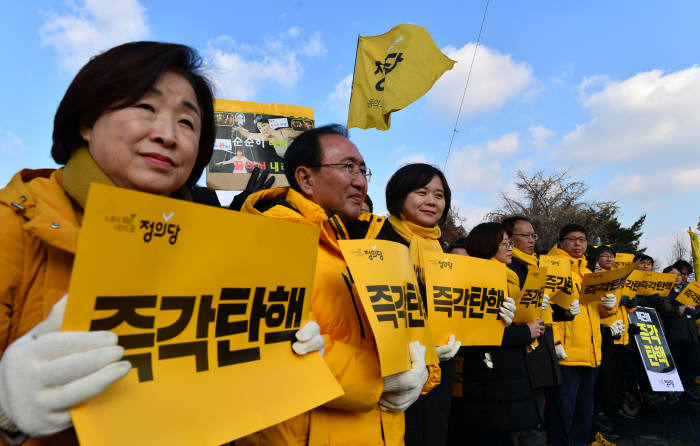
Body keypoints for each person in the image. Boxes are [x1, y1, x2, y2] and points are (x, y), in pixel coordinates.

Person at [0, 41, 217, 445]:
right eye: (144, 107)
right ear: (87, 122)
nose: (167, 135)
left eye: (187, 123)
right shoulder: (12, 223)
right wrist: (5, 410)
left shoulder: (219, 252)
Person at [238, 125, 434, 445]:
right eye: (347, 167)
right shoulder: (272, 236)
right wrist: (381, 379)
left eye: (362, 168)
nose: (360, 180)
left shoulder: (351, 245)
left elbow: (393, 328)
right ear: (305, 179)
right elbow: (277, 345)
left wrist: (424, 365)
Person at [374, 163, 460, 446]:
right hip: (395, 371)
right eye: (422, 192)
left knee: (435, 432)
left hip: (441, 366)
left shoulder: (444, 249)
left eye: (439, 195)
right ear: (399, 195)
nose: (432, 201)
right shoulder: (376, 240)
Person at [458, 222, 543, 445]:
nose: (510, 248)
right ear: (487, 246)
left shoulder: (508, 275)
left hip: (510, 371)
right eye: (504, 243)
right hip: (491, 375)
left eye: (510, 243)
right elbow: (479, 334)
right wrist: (526, 332)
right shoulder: (480, 279)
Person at [546, 224, 618, 446]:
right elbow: (544, 307)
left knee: (584, 412)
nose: (578, 244)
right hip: (566, 354)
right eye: (572, 239)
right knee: (562, 412)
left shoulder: (589, 273)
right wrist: (555, 341)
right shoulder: (552, 268)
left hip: (591, 353)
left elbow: (598, 312)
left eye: (582, 239)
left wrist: (609, 305)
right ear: (561, 242)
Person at [502, 216, 560, 445]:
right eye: (524, 235)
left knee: (536, 417)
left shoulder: (534, 266)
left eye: (533, 235)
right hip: (520, 354)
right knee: (521, 423)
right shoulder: (509, 268)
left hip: (540, 349)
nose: (531, 240)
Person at [658, 265, 700, 401]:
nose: (677, 277)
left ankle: (686, 389)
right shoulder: (663, 292)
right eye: (672, 275)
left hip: (690, 333)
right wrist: (682, 309)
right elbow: (666, 309)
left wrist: (695, 311)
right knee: (674, 364)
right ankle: (672, 392)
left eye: (678, 275)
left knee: (693, 362)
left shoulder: (689, 290)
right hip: (673, 334)